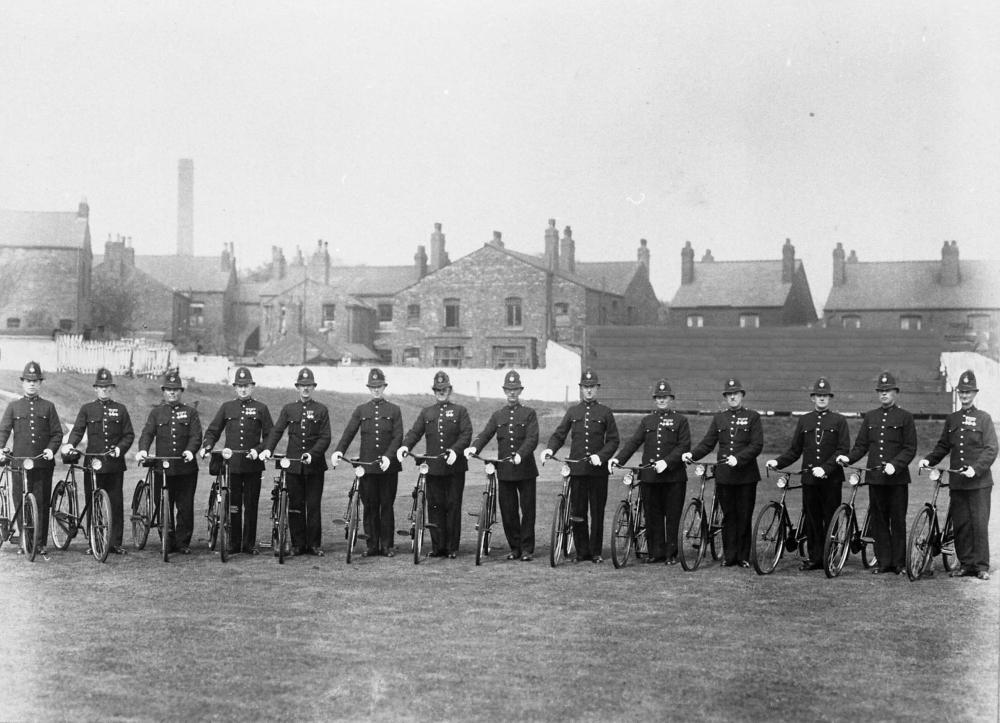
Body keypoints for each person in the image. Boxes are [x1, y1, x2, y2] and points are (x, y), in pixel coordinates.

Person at [919, 370, 997, 580]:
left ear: (974, 393)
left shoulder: (984, 419)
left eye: (968, 392)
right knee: (961, 524)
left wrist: (976, 469)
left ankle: (981, 566)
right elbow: (943, 445)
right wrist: (929, 459)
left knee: (978, 524)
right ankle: (965, 564)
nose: (964, 395)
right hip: (958, 483)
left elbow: (991, 448)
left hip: (979, 483)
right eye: (961, 392)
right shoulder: (952, 419)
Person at [836, 371, 917, 575]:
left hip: (897, 479)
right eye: (881, 391)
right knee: (879, 521)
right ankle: (883, 561)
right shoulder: (871, 416)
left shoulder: (905, 417)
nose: (883, 394)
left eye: (887, 390)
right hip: (876, 478)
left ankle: (898, 562)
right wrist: (848, 458)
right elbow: (861, 445)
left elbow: (910, 448)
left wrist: (896, 465)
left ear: (895, 393)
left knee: (897, 520)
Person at [765, 377, 850, 571]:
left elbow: (843, 449)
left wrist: (826, 468)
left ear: (830, 398)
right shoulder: (805, 420)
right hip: (810, 479)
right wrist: (778, 461)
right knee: (812, 519)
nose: (822, 398)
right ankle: (814, 557)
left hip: (831, 479)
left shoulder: (839, 420)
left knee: (830, 518)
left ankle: (829, 557)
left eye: (825, 395)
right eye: (818, 395)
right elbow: (795, 450)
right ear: (813, 398)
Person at [682, 378, 763, 568]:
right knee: (728, 515)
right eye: (729, 394)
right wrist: (691, 454)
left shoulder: (753, 417)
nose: (733, 397)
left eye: (736, 393)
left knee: (744, 515)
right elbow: (708, 443)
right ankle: (729, 555)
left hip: (746, 476)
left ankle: (743, 556)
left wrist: (740, 458)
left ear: (742, 395)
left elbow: (757, 444)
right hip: (725, 475)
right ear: (725, 397)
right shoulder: (720, 418)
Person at [541, 368, 620, 563]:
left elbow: (613, 440)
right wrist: (550, 449)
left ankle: (596, 552)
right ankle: (582, 551)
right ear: (581, 389)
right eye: (585, 387)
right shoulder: (573, 412)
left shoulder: (605, 412)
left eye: (592, 387)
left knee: (597, 512)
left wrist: (601, 457)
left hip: (597, 471)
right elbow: (560, 434)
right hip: (577, 469)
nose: (589, 391)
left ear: (597, 388)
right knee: (578, 512)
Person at [610, 378, 690, 565]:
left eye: (665, 397)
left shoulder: (681, 421)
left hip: (673, 477)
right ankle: (655, 552)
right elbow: (634, 443)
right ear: (655, 400)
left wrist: (667, 462)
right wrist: (618, 459)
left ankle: (671, 553)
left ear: (671, 398)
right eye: (658, 397)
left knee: (672, 515)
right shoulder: (647, 420)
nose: (662, 400)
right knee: (652, 515)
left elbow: (684, 445)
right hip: (650, 476)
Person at [465, 370, 540, 561]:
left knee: (528, 510)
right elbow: (485, 434)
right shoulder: (498, 415)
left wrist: (520, 455)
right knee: (508, 511)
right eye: (509, 389)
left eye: (515, 389)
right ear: (505, 391)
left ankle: (527, 549)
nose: (512, 393)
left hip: (525, 470)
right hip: (505, 471)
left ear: (520, 390)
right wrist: (474, 448)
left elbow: (532, 439)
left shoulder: (529, 414)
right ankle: (514, 548)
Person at [200, 366, 274, 555]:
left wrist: (258, 450)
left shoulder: (261, 408)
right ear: (235, 387)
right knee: (233, 505)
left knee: (251, 505)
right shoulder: (227, 407)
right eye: (240, 386)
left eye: (246, 385)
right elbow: (213, 430)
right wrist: (207, 445)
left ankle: (249, 544)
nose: (243, 389)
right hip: (232, 465)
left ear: (252, 387)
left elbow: (270, 436)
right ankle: (233, 543)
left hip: (252, 465)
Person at [397, 371, 472, 559]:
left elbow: (466, 434)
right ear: (434, 391)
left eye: (444, 389)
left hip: (454, 467)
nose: (441, 392)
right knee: (435, 506)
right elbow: (415, 432)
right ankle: (438, 547)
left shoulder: (460, 411)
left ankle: (452, 547)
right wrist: (405, 446)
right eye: (438, 389)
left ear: (450, 389)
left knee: (453, 506)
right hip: (433, 467)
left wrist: (455, 450)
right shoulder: (427, 412)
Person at [62, 367, 136, 555]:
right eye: (101, 387)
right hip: (92, 464)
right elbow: (77, 430)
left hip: (114, 464)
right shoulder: (87, 409)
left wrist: (119, 449)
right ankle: (95, 542)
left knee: (116, 503)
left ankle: (115, 543)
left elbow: (128, 435)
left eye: (108, 387)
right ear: (95, 388)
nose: (104, 390)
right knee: (92, 501)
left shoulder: (121, 409)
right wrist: (70, 445)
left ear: (112, 388)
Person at [332, 368, 404, 557]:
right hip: (368, 466)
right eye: (373, 387)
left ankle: (387, 545)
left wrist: (389, 456)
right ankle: (372, 545)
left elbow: (398, 437)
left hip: (389, 467)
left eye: (379, 386)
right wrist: (339, 450)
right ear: (369, 388)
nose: (376, 390)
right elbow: (349, 432)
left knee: (386, 505)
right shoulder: (361, 410)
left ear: (384, 387)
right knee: (370, 505)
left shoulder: (394, 410)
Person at [261, 367, 331, 556]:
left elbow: (325, 438)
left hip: (315, 466)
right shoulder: (289, 409)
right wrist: (268, 449)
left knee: (313, 505)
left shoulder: (321, 410)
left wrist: (312, 454)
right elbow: (277, 431)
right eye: (302, 385)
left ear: (313, 387)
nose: (305, 389)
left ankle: (314, 544)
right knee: (295, 506)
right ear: (297, 387)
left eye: (309, 385)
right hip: (293, 465)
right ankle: (298, 544)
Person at [135, 370, 203, 554]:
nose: (172, 393)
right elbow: (147, 433)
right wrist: (143, 450)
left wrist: (190, 451)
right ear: (163, 392)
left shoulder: (190, 413)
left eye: (176, 390)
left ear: (181, 391)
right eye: (168, 390)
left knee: (185, 506)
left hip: (186, 468)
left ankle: (182, 543)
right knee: (163, 503)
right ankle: (167, 540)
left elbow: (196, 436)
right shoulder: (156, 413)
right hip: (162, 469)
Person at [0, 361, 63, 555]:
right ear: (22, 383)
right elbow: (3, 430)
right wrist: (1, 448)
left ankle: (40, 543)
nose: (32, 384)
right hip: (19, 463)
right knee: (20, 500)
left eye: (35, 381)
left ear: (40, 383)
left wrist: (51, 450)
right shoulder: (13, 407)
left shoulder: (49, 407)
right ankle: (24, 542)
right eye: (28, 381)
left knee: (42, 502)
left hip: (42, 464)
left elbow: (57, 434)